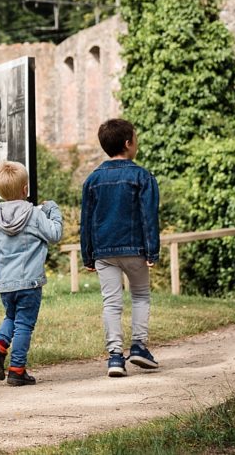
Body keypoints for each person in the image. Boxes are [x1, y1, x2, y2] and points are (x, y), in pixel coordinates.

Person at [79, 118, 161, 378]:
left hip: (104, 251)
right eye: (135, 138)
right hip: (135, 248)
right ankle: (138, 347)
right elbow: (149, 216)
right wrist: (152, 250)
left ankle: (115, 357)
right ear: (128, 143)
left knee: (111, 303)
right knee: (140, 296)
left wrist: (87, 255)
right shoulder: (142, 176)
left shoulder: (92, 180)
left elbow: (87, 221)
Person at [0, 161, 63, 386]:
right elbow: (55, 234)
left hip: (6, 283)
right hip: (29, 283)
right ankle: (17, 369)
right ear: (25, 189)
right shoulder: (34, 215)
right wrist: (52, 211)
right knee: (25, 324)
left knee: (12, 317)